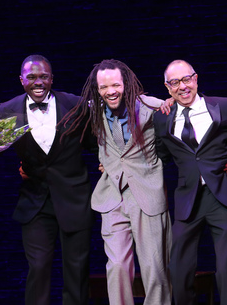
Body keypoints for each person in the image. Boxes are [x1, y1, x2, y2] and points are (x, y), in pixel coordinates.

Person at [61, 59, 172, 305]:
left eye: (115, 85)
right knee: (118, 266)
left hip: (147, 193)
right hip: (112, 196)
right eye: (103, 87)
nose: (110, 91)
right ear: (97, 89)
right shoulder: (93, 111)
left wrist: (226, 155)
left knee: (155, 268)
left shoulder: (152, 107)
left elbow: (183, 132)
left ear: (126, 83)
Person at [0, 54, 95, 305]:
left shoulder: (77, 104)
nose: (37, 82)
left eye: (43, 77)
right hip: (35, 200)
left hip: (74, 198)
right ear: (21, 80)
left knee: (76, 269)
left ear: (52, 79)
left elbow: (96, 142)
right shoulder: (6, 109)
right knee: (38, 268)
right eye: (31, 77)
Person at [153, 59, 227, 305]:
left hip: (223, 197)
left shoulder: (223, 106)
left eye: (187, 79)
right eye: (175, 82)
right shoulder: (162, 119)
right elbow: (161, 156)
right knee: (179, 269)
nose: (182, 86)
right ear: (167, 88)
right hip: (188, 201)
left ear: (196, 79)